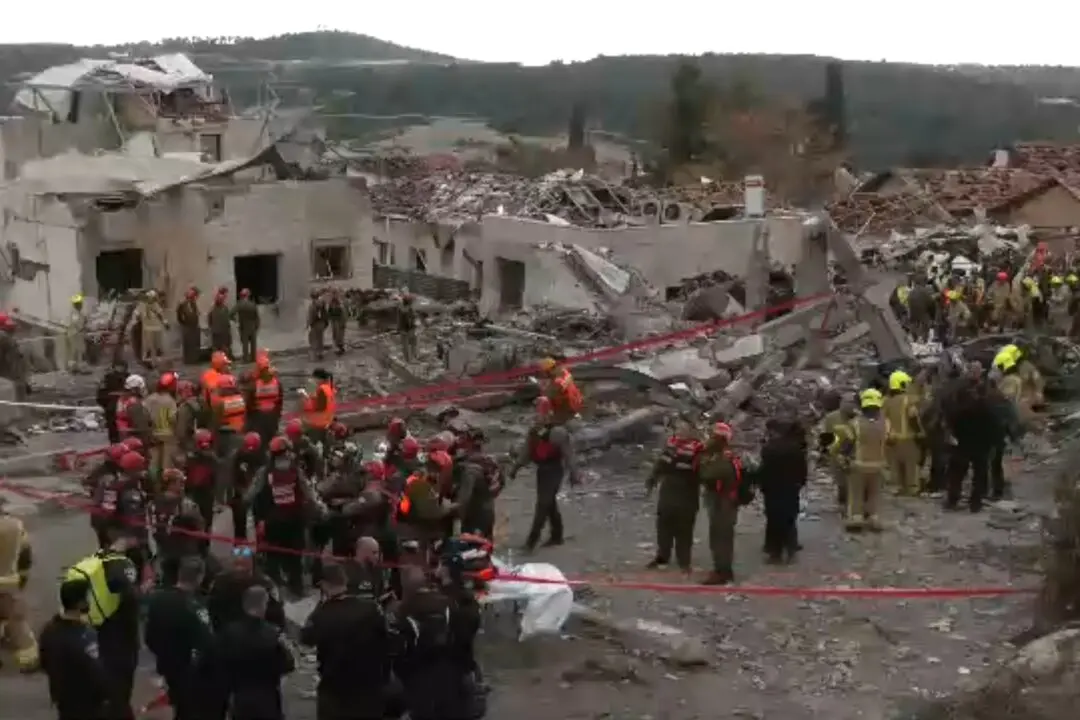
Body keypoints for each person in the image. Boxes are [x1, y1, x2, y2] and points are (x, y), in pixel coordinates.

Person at [300, 561, 393, 720]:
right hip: (368, 689)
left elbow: (306, 638)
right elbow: (386, 641)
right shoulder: (371, 608)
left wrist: (321, 605)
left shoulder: (322, 614)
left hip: (335, 690)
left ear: (324, 585)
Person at [65, 532, 142, 719]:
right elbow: (132, 597)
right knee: (119, 689)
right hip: (119, 641)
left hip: (100, 630)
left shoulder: (100, 562)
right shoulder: (125, 592)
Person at [393, 566, 484, 720]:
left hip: (419, 682)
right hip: (451, 679)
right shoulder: (448, 604)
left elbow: (399, 651)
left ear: (404, 587)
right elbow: (466, 633)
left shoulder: (402, 611)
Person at [244, 435, 324, 596]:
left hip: (274, 521)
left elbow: (251, 494)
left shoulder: (265, 472)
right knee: (295, 557)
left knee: (273, 555)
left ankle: (275, 589)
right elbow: (309, 494)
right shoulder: (296, 470)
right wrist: (319, 509)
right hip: (295, 521)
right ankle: (297, 588)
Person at [144, 557, 216, 720]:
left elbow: (149, 636)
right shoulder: (195, 607)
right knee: (190, 710)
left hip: (167, 665)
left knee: (179, 705)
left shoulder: (158, 600)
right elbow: (207, 642)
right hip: (191, 670)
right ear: (199, 577)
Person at [507, 396, 580, 551]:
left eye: (540, 412)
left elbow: (569, 454)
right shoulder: (534, 432)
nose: (537, 416)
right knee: (549, 503)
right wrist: (515, 468)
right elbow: (526, 453)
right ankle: (557, 535)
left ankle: (531, 541)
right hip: (542, 470)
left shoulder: (558, 432)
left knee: (542, 504)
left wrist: (574, 474)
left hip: (554, 470)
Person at [217, 585, 296, 720]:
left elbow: (220, 664)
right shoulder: (274, 634)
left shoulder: (229, 633)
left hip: (240, 697)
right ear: (263, 605)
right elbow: (288, 664)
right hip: (267, 697)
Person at [39, 578, 113, 719]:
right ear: (80, 603)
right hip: (87, 705)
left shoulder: (49, 630)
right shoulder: (84, 637)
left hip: (64, 703)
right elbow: (96, 672)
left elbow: (44, 662)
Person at [645, 418, 703, 572]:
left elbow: (702, 472)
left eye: (684, 429)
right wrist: (652, 479)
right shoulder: (671, 444)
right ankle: (662, 556)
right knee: (664, 525)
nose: (680, 432)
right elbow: (661, 464)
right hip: (668, 491)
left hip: (687, 493)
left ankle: (684, 561)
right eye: (678, 429)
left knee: (684, 529)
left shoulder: (698, 449)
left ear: (691, 431)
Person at [698, 422, 744, 585]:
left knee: (720, 537)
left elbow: (707, 475)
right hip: (724, 501)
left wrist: (703, 460)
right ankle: (723, 570)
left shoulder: (723, 459)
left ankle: (722, 571)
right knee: (721, 537)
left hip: (723, 502)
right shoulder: (723, 455)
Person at [836, 389, 889, 531]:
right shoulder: (885, 424)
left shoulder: (855, 424)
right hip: (878, 467)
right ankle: (873, 518)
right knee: (874, 494)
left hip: (858, 467)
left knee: (856, 494)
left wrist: (842, 461)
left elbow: (846, 445)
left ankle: (856, 518)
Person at [757, 418, 807, 564]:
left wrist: (762, 486)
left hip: (773, 490)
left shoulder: (768, 449)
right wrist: (799, 484)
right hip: (791, 489)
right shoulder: (795, 448)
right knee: (790, 519)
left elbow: (763, 470)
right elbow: (802, 470)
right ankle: (791, 550)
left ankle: (775, 553)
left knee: (773, 520)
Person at [207, 545, 285, 633]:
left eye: (244, 568)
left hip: (258, 632)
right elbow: (213, 611)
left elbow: (277, 616)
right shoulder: (219, 583)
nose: (240, 570)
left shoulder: (266, 584)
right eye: (237, 565)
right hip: (229, 633)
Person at [0, 497, 37, 672]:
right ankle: (28, 660)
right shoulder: (15, 526)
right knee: (17, 621)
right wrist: (22, 578)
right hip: (9, 582)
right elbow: (25, 555)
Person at [883, 370, 922, 497]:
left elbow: (884, 419)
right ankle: (912, 488)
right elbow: (913, 416)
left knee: (896, 464)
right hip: (908, 438)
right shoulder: (908, 400)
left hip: (893, 439)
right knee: (911, 464)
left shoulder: (887, 401)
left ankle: (899, 487)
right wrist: (919, 432)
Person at [144, 371, 179, 484]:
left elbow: (145, 417)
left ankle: (152, 484)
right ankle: (165, 485)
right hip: (168, 436)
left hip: (153, 435)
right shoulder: (170, 401)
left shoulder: (149, 399)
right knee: (167, 464)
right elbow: (173, 419)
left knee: (153, 463)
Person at [246, 350, 283, 447]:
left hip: (259, 417)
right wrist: (277, 415)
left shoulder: (254, 385)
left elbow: (249, 404)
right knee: (272, 441)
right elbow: (280, 401)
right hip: (272, 415)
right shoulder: (277, 383)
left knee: (260, 442)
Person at [537, 357, 583, 426]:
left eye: (545, 372)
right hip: (576, 400)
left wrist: (543, 392)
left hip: (567, 407)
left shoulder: (557, 382)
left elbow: (549, 394)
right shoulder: (564, 371)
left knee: (543, 401)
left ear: (548, 370)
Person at [302, 368, 337, 451]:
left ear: (319, 378)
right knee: (327, 447)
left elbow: (319, 407)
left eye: (314, 378)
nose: (313, 380)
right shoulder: (328, 387)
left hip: (318, 423)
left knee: (311, 448)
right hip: (327, 421)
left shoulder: (321, 389)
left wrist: (307, 398)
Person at [98, 360, 130, 443]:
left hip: (117, 408)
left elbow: (100, 395)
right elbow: (100, 395)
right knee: (118, 433)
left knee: (116, 434)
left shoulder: (129, 378)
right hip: (117, 408)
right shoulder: (108, 378)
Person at [139, 290, 168, 365]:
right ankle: (150, 358)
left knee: (155, 344)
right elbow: (137, 314)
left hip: (156, 327)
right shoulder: (142, 305)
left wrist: (165, 322)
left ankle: (155, 358)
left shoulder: (155, 305)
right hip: (147, 327)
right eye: (150, 297)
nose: (151, 299)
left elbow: (160, 314)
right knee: (149, 344)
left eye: (152, 298)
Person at [175, 287, 202, 365]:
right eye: (194, 295)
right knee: (187, 343)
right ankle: (187, 360)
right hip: (187, 326)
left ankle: (194, 360)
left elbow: (196, 313)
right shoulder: (183, 304)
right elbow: (179, 315)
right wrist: (183, 322)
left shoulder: (194, 304)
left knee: (194, 343)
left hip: (194, 326)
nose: (195, 297)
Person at [233, 288, 260, 362]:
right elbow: (256, 316)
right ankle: (253, 358)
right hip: (252, 326)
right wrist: (256, 326)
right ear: (248, 295)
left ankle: (245, 359)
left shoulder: (239, 304)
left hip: (243, 326)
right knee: (253, 343)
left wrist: (236, 321)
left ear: (241, 295)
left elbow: (231, 314)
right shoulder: (252, 304)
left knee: (245, 343)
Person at [207, 286, 233, 357]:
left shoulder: (223, 308)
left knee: (220, 348)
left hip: (220, 331)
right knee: (220, 348)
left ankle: (221, 361)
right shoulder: (217, 308)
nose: (225, 298)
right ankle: (220, 361)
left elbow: (210, 319)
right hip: (220, 331)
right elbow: (210, 319)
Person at [65, 293, 88, 372]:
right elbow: (76, 324)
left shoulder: (78, 313)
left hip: (76, 334)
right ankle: (76, 368)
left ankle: (76, 368)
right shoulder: (75, 313)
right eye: (79, 303)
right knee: (77, 351)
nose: (81, 305)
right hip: (75, 334)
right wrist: (83, 327)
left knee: (77, 351)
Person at [307, 290, 328, 360]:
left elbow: (311, 316)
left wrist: (308, 324)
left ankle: (315, 353)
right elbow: (325, 313)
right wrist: (326, 323)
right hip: (321, 323)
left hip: (315, 323)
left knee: (313, 339)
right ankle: (320, 352)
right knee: (320, 338)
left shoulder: (312, 305)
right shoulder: (322, 303)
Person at [397, 292, 418, 361]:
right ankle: (411, 358)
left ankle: (409, 359)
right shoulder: (408, 310)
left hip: (406, 329)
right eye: (412, 301)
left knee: (408, 344)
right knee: (411, 344)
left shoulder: (402, 309)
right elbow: (410, 319)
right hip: (407, 329)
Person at [328, 288, 348, 355]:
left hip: (339, 321)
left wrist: (343, 322)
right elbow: (329, 312)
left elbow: (343, 313)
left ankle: (340, 348)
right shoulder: (332, 303)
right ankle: (339, 347)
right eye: (333, 293)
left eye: (335, 293)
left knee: (339, 335)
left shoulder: (340, 303)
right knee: (336, 335)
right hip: (335, 321)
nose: (334, 295)